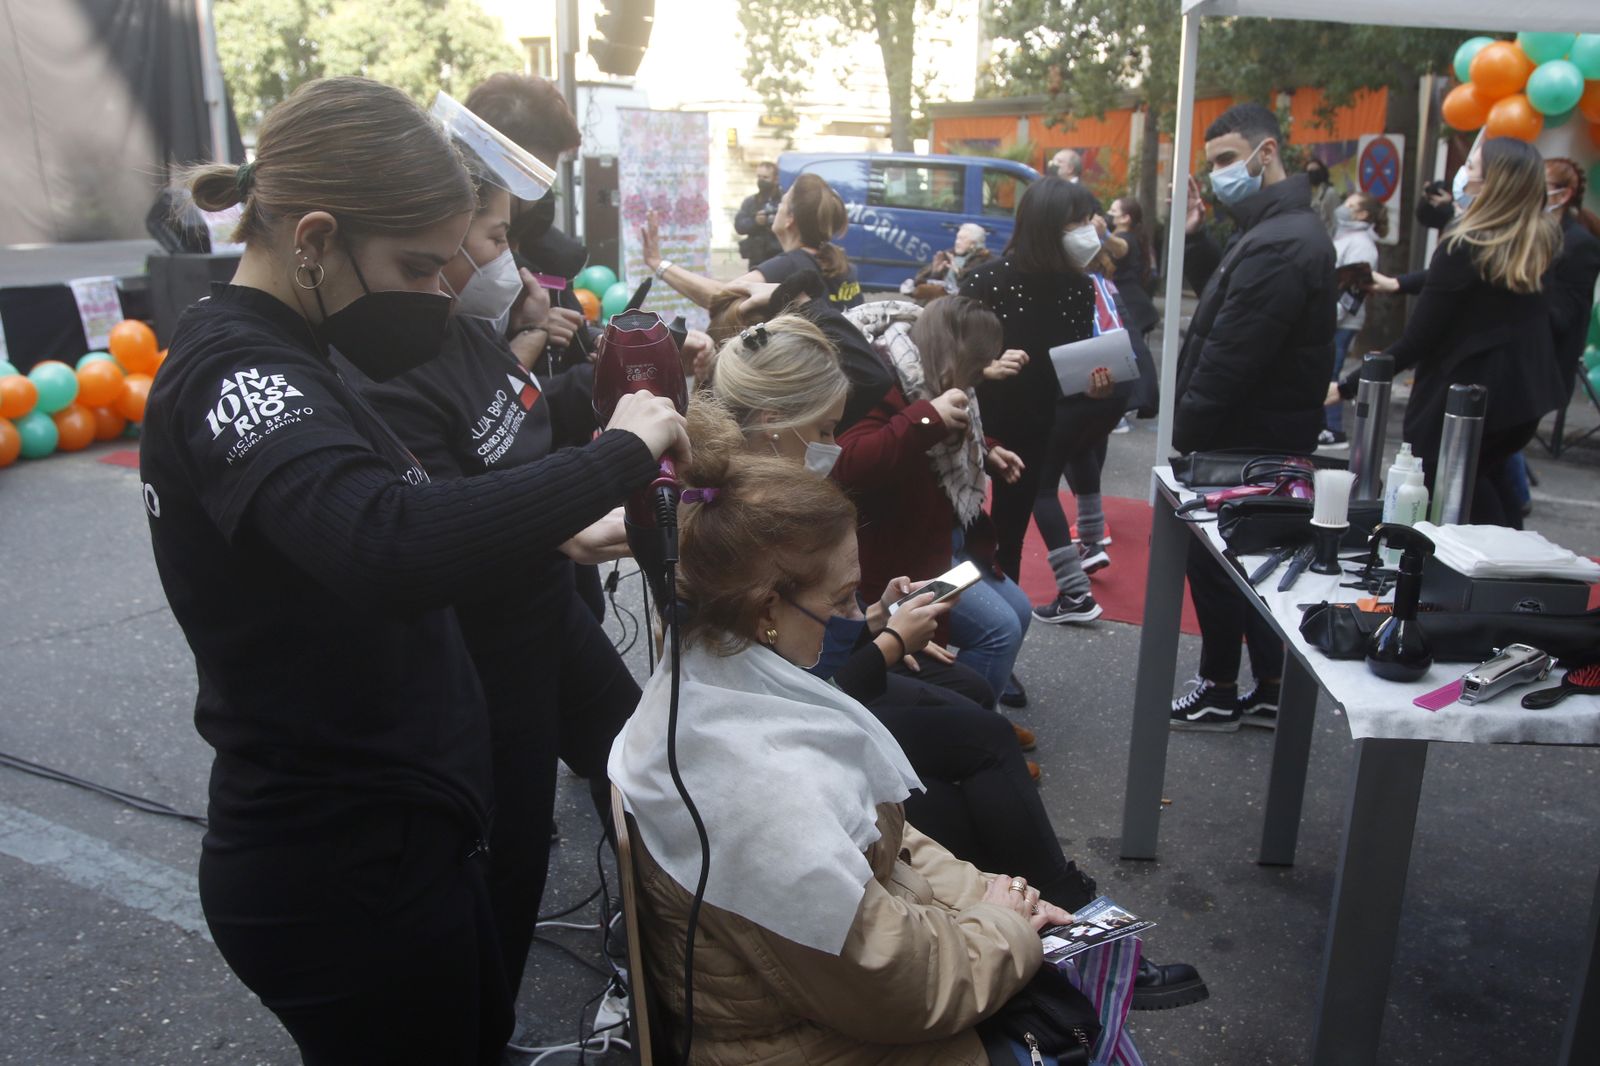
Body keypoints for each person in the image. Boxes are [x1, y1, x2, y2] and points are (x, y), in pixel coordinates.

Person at [139, 77, 688, 1064]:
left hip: (408, 831)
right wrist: (616, 454)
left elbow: (431, 509)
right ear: (312, 238)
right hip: (334, 865)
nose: (441, 291)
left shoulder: (301, 351)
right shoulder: (237, 371)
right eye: (416, 265)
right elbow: (386, 541)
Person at [331, 117, 645, 1005]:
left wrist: (623, 389)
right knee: (507, 860)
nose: (511, 262)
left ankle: (654, 947)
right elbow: (433, 518)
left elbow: (530, 427)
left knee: (644, 768)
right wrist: (566, 514)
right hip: (480, 647)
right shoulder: (389, 357)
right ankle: (487, 1023)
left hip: (547, 612)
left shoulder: (466, 330)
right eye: (498, 237)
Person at [1167, 103, 1336, 732]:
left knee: (1222, 564)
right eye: (1213, 163)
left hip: (1244, 438)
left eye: (1228, 159)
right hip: (1264, 433)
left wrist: (1183, 437)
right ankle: (1266, 686)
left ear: (1266, 154)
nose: (1219, 174)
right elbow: (1237, 300)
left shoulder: (1282, 239)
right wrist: (1195, 236)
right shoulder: (1280, 229)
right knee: (1254, 561)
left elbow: (1231, 353)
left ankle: (1220, 686)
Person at [832, 296, 1040, 709]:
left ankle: (983, 709)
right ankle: (967, 728)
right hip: (906, 559)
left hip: (948, 540)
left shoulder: (931, 369)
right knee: (998, 630)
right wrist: (927, 417)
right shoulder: (884, 379)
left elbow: (956, 441)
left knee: (1018, 611)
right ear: (955, 351)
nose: (978, 376)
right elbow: (850, 464)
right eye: (976, 365)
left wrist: (988, 450)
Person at [1354, 137, 1564, 528]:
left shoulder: (1465, 245)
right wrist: (1400, 283)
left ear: (1492, 184)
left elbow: (1418, 340)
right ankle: (1511, 571)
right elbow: (1459, 283)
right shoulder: (1533, 243)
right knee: (1491, 491)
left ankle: (1492, 576)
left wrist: (1348, 385)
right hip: (1518, 402)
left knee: (1455, 500)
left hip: (1463, 406)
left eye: (1473, 167)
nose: (1463, 174)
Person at [958, 178, 1098, 598]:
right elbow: (941, 358)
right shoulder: (985, 280)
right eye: (1079, 222)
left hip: (1036, 427)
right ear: (1046, 226)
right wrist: (985, 368)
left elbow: (1072, 366)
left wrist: (1096, 386)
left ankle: (1002, 635)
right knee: (954, 534)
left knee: (1008, 541)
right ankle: (948, 632)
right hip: (969, 422)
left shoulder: (1080, 287)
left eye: (1089, 220)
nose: (1089, 231)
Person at [643, 171, 863, 310]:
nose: (775, 210)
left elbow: (719, 298)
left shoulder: (791, 265)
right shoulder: (839, 262)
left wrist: (657, 263)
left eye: (782, 204)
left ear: (789, 220)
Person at [1321, 191, 1387, 447]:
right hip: (1337, 317)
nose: (1343, 208)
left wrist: (1331, 316)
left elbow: (1352, 291)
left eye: (1350, 205)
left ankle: (1334, 429)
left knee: (1332, 373)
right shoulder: (1349, 237)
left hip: (1342, 320)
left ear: (1363, 214)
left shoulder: (1362, 245)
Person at [908, 222, 993, 294]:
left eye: (963, 239)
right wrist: (935, 272)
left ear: (974, 244)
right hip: (936, 302)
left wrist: (959, 272)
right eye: (957, 238)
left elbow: (973, 290)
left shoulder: (984, 260)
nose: (957, 242)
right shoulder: (947, 255)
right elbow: (919, 281)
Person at [735, 161, 784, 270]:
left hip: (779, 257)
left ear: (776, 179)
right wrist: (756, 222)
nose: (761, 181)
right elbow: (739, 226)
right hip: (757, 259)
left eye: (766, 178)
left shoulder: (785, 201)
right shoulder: (751, 202)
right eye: (759, 177)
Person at [1305, 157, 1341, 238]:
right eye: (1309, 172)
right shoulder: (1307, 194)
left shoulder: (1330, 193)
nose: (1312, 175)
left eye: (1315, 171)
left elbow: (1336, 222)